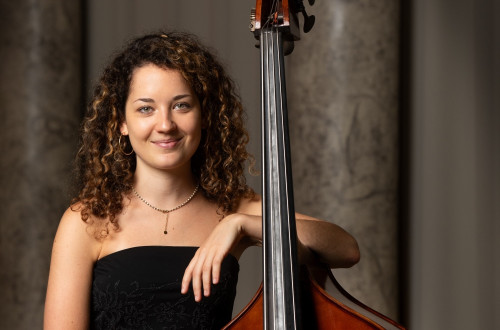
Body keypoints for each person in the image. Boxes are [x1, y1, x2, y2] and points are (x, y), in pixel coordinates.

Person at [44, 31, 360, 329]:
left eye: (181, 105)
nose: (165, 124)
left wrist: (243, 224)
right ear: (121, 122)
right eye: (146, 109)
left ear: (204, 114)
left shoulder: (232, 206)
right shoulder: (87, 220)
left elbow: (345, 249)